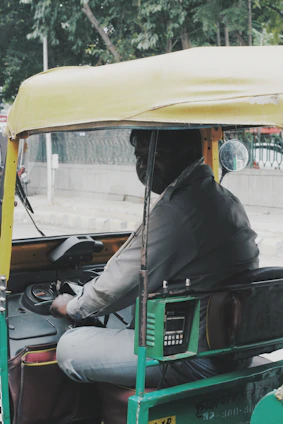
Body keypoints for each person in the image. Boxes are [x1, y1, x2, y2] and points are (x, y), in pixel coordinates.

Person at [51, 129, 259, 387]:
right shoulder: (226, 201)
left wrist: (70, 305)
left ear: (187, 153)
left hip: (190, 358)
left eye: (155, 155)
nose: (144, 166)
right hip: (229, 352)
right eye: (139, 157)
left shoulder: (179, 210)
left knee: (70, 347)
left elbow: (113, 288)